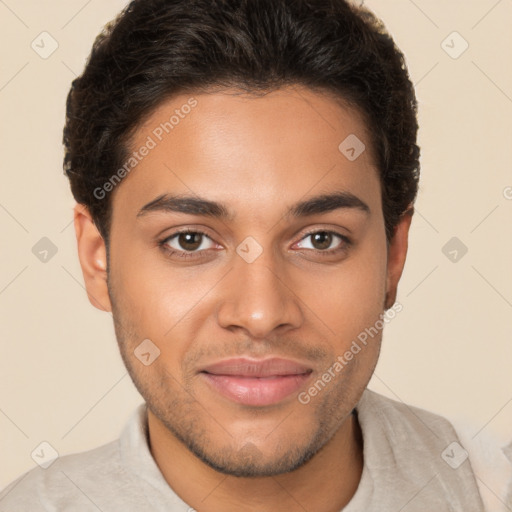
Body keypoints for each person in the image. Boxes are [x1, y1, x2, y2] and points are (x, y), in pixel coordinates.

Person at [0, 0, 490, 510]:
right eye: (189, 240)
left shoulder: (486, 488)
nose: (260, 314)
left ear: (393, 257)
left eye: (321, 239)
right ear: (98, 259)